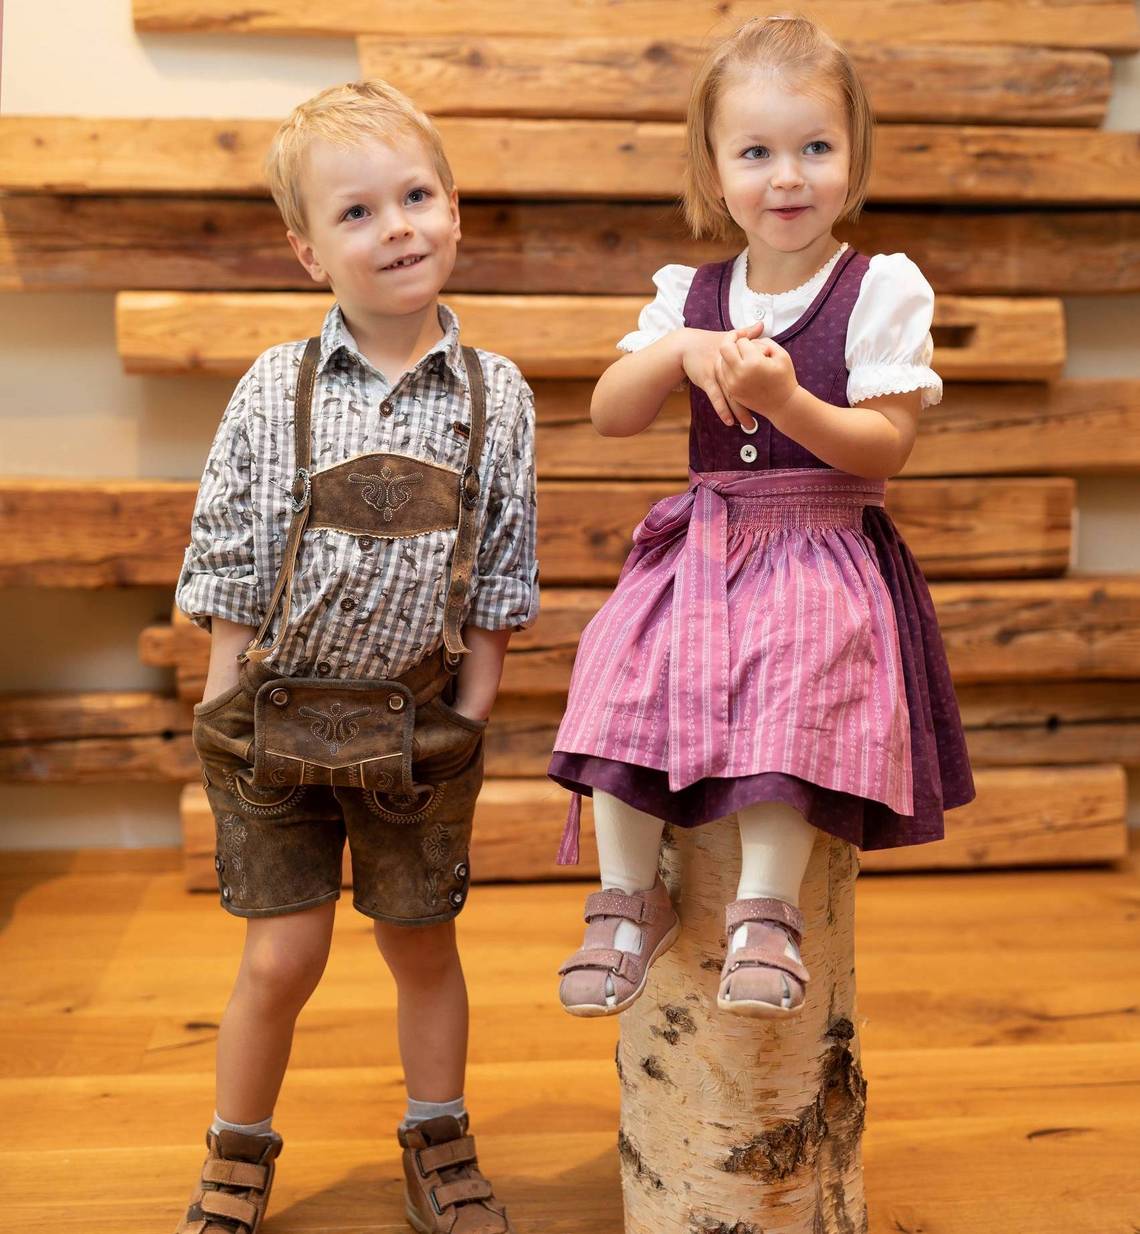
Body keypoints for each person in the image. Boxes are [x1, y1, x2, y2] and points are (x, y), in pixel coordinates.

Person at [550, 15, 974, 1020]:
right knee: (621, 660)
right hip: (705, 544)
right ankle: (623, 899)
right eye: (757, 152)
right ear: (714, 166)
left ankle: (766, 910)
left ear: (853, 155)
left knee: (798, 672)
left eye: (815, 148)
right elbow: (611, 413)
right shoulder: (689, 294)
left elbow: (884, 447)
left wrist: (788, 401)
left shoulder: (880, 289)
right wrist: (680, 353)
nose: (787, 177)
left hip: (823, 546)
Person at [174, 80, 538, 1234]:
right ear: (305, 251)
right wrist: (222, 703)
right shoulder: (273, 386)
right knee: (281, 958)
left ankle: (437, 1133)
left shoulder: (498, 395)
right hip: (274, 720)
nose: (399, 228)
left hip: (418, 728)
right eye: (359, 212)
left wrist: (474, 708)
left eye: (417, 195)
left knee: (421, 944)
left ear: (456, 207)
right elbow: (229, 551)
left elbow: (504, 565)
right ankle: (237, 1151)